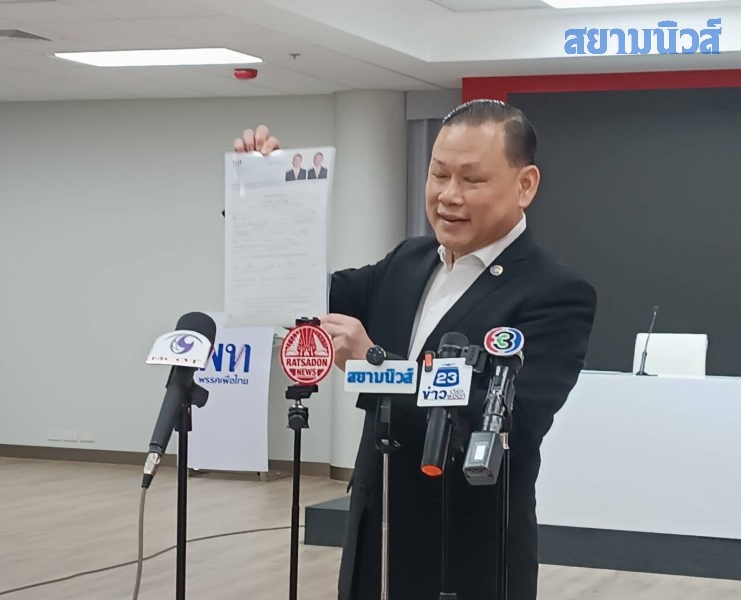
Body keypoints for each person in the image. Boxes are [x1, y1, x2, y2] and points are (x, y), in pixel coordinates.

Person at [233, 99, 597, 600]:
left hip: (466, 547)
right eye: (438, 174)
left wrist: (376, 368)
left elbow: (514, 419)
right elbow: (298, 295)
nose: (449, 195)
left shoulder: (554, 290)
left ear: (525, 185)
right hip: (376, 532)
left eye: (472, 179)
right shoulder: (410, 259)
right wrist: (263, 198)